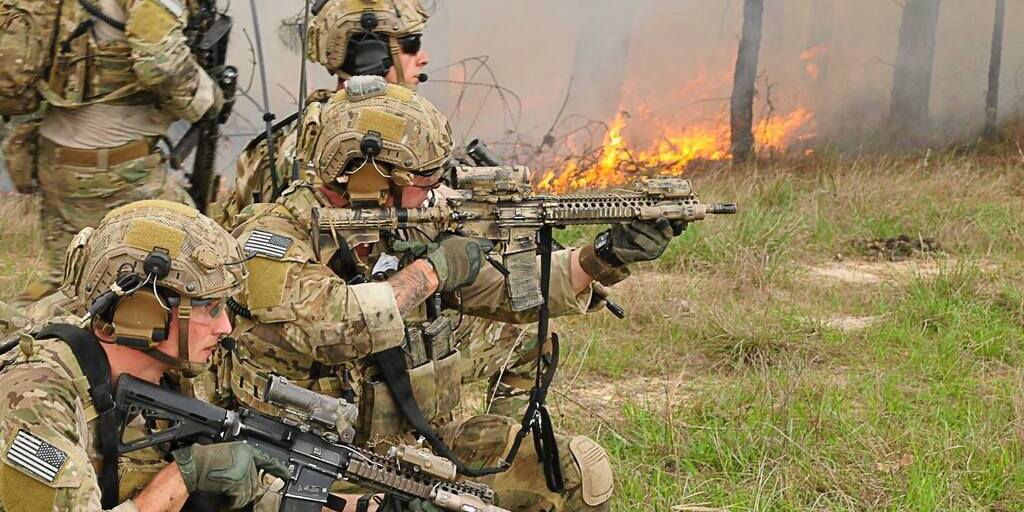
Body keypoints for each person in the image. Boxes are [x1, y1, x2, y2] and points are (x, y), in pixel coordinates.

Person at [223, 76, 685, 511]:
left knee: (575, 471)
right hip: (307, 466)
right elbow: (337, 326)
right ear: (370, 175)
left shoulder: (403, 225)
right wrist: (432, 272)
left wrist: (603, 255)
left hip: (413, 448)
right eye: (424, 180)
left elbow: (508, 292)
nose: (435, 192)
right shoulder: (270, 240)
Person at [0, 200, 288, 511]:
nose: (225, 328)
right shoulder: (34, 398)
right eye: (211, 308)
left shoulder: (172, 376)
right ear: (143, 310)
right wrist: (180, 478)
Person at [8, 0, 225, 304]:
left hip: (55, 157)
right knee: (194, 262)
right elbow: (160, 63)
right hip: (114, 170)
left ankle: (26, 327)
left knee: (69, 280)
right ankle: (22, 326)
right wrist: (210, 98)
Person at [218, 0, 429, 227]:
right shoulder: (299, 146)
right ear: (370, 53)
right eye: (411, 45)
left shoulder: (415, 131)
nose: (424, 58)